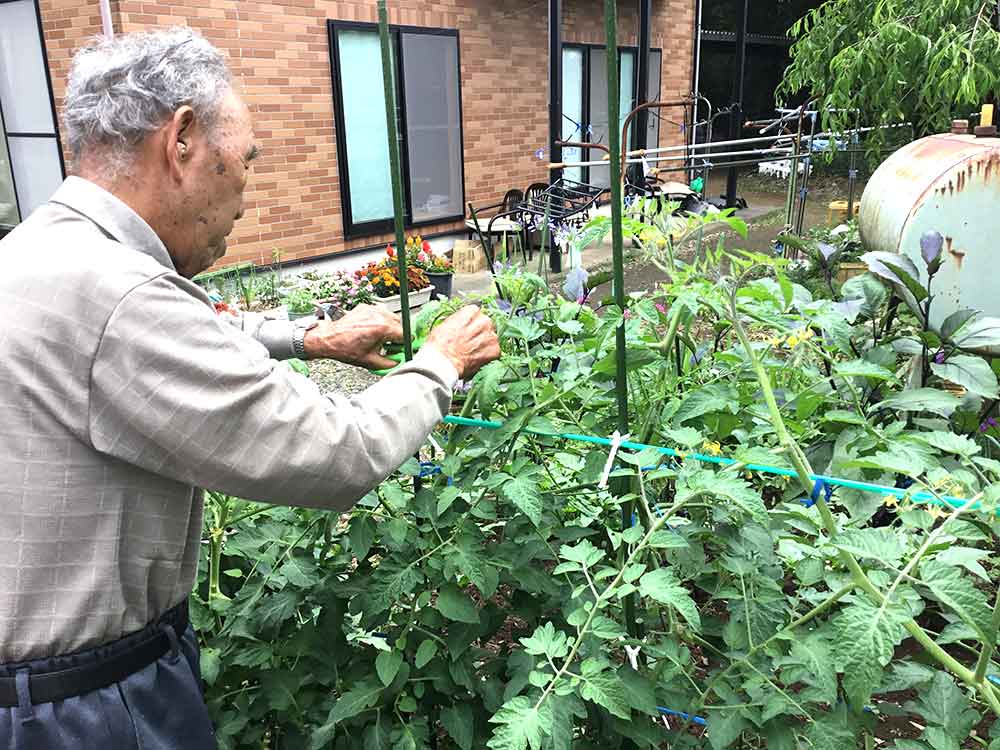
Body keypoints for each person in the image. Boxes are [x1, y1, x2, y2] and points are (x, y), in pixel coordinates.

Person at [0, 27, 499, 749]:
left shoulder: (35, 252)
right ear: (182, 142)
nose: (244, 192)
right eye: (245, 161)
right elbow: (337, 452)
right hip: (85, 708)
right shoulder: (122, 298)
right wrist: (440, 363)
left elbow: (163, 339)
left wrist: (306, 338)